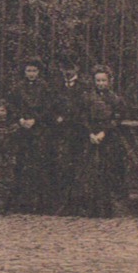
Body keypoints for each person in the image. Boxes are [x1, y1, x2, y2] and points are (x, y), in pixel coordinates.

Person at [8, 58, 58, 214]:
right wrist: (20, 119)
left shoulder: (45, 88)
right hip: (22, 130)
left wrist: (35, 120)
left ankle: (40, 203)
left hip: (39, 130)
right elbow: (11, 105)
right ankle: (22, 202)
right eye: (28, 71)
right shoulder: (17, 87)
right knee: (22, 164)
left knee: (39, 165)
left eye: (34, 71)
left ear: (39, 72)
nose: (31, 74)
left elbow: (49, 107)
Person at [78, 65, 126, 218]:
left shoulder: (115, 99)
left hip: (108, 138)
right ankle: (90, 208)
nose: (100, 83)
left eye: (103, 80)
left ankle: (106, 209)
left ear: (109, 81)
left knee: (107, 172)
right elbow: (83, 116)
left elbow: (117, 118)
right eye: (98, 80)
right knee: (90, 172)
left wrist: (103, 132)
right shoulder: (87, 97)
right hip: (90, 137)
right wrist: (91, 133)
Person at [52, 56, 89, 215]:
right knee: (61, 166)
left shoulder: (85, 87)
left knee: (79, 167)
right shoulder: (56, 86)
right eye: (64, 68)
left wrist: (67, 118)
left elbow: (85, 108)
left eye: (70, 68)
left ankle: (77, 204)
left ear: (77, 69)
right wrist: (55, 117)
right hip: (60, 132)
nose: (67, 72)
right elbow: (50, 105)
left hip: (79, 132)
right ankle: (62, 203)